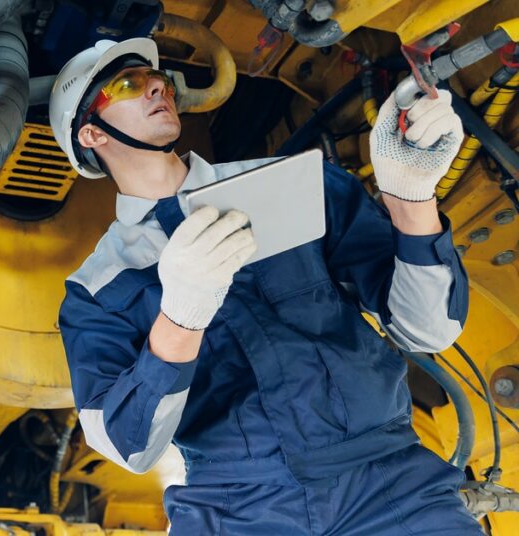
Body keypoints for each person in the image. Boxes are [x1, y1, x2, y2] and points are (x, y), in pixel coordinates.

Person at [51, 38, 481, 534]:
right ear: (90, 134)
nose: (156, 85)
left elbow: (427, 329)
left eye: (159, 80)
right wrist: (180, 321)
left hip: (390, 484)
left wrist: (412, 199)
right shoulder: (96, 290)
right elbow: (130, 445)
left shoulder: (291, 183)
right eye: (126, 85)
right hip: (237, 508)